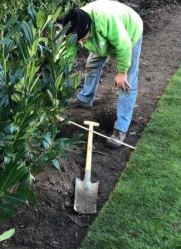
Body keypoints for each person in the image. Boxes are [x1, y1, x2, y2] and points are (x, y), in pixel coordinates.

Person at [62, 0, 143, 149]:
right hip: (101, 38)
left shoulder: (105, 20)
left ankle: (120, 130)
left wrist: (122, 72)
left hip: (129, 33)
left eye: (81, 38)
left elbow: (123, 45)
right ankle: (85, 99)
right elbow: (69, 51)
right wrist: (62, 72)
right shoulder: (75, 23)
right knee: (91, 64)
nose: (79, 43)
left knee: (126, 83)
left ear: (88, 28)